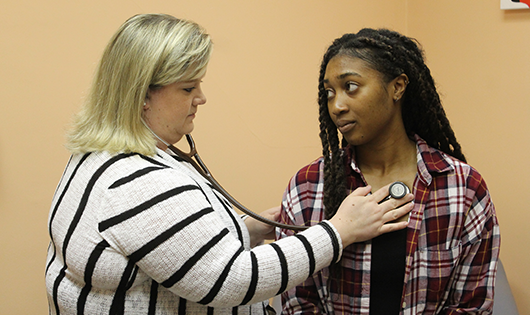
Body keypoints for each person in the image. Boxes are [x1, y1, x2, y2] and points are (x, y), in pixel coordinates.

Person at [44, 15, 414, 315]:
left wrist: (243, 231)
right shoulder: (137, 181)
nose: (201, 98)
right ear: (141, 95)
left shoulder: (97, 156)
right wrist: (339, 231)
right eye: (188, 88)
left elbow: (169, 245)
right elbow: (231, 280)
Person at [277, 28, 500, 314]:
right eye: (329, 93)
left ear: (398, 87)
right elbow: (298, 302)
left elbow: (472, 305)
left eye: (351, 87)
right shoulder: (308, 187)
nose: (337, 105)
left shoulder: (463, 187)